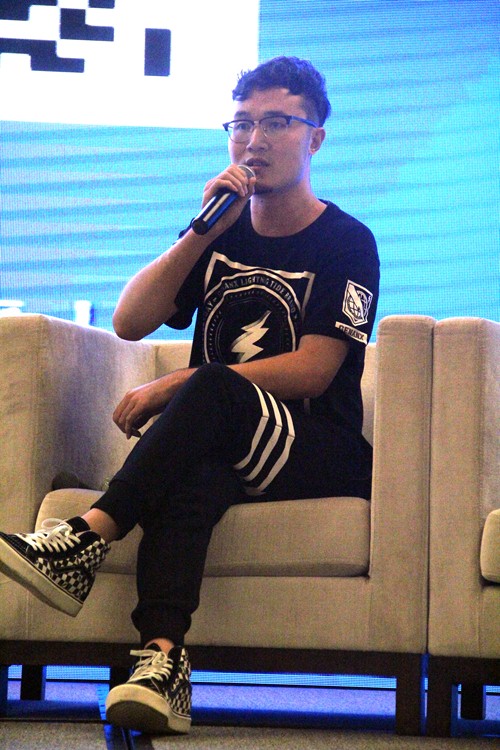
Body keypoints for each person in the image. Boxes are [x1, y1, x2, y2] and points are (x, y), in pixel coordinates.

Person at [0, 56, 379, 735]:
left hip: (318, 448)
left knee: (208, 385)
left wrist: (181, 381)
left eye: (276, 123)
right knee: (190, 480)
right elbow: (130, 321)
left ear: (316, 138)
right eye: (241, 124)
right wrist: (202, 231)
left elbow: (316, 370)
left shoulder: (346, 241)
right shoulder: (220, 231)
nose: (254, 140)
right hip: (222, 439)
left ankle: (87, 537)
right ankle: (163, 661)